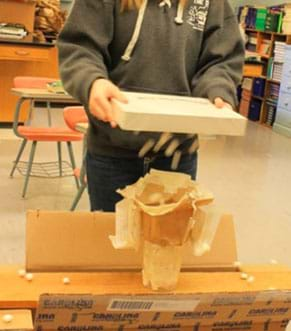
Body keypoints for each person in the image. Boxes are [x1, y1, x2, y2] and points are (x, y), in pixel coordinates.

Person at [58, 0, 245, 212]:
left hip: (177, 156)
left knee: (168, 241)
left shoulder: (213, 4)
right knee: (111, 240)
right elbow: (80, 48)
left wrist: (218, 88)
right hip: (112, 152)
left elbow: (221, 60)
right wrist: (93, 81)